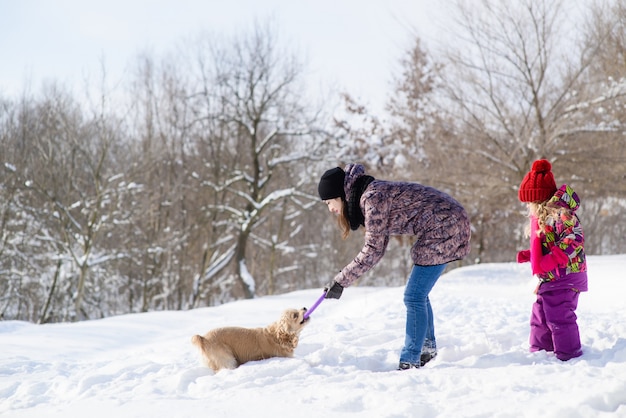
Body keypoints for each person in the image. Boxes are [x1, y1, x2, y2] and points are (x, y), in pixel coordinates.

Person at [317, 163, 471, 370]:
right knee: (418, 295)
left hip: (446, 225)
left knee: (413, 296)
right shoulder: (369, 195)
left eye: (330, 202)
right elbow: (377, 247)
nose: (331, 209)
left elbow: (374, 250)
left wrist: (341, 281)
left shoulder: (372, 198)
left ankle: (410, 359)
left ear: (341, 195)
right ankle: (426, 348)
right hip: (445, 223)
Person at [516, 159, 588, 361]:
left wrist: (551, 260)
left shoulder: (562, 214)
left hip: (566, 276)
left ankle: (569, 354)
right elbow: (549, 244)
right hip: (550, 277)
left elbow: (573, 240)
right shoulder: (544, 219)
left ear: (539, 200)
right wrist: (530, 255)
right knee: (540, 315)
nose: (528, 207)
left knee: (559, 316)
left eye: (530, 203)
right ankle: (541, 352)